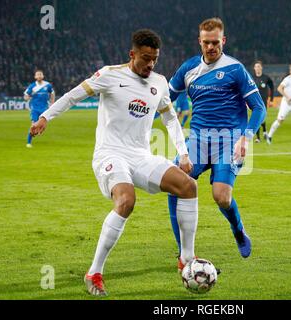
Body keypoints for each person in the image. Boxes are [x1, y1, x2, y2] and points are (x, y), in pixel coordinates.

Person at [30, 29, 199, 296]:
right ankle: (94, 272)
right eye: (145, 58)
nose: (150, 64)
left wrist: (184, 153)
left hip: (141, 155)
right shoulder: (110, 74)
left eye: (154, 59)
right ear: (132, 55)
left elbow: (169, 117)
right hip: (110, 153)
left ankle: (186, 259)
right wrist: (45, 117)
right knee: (126, 201)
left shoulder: (159, 82)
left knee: (188, 187)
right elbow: (74, 95)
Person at [167, 18, 266, 266]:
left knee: (221, 196)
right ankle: (183, 253)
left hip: (229, 140)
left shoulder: (235, 69)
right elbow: (164, 99)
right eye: (206, 42)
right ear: (199, 42)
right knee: (175, 181)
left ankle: (238, 230)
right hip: (198, 140)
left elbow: (259, 108)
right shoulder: (188, 69)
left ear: (223, 40)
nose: (211, 47)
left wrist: (246, 136)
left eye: (215, 42)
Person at [23, 70, 55, 148]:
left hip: (44, 109)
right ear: (35, 77)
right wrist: (27, 97)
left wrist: (52, 102)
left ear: (43, 76)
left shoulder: (47, 85)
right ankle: (29, 142)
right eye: (37, 74)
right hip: (35, 109)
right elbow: (26, 96)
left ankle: (37, 133)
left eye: (40, 74)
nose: (39, 76)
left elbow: (52, 93)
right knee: (33, 125)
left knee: (42, 125)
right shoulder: (32, 86)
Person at [252, 61, 274, 143]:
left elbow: (272, 87)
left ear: (261, 68)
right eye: (256, 67)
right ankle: (258, 137)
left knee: (261, 118)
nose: (257, 68)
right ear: (254, 68)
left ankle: (264, 131)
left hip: (263, 101)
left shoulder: (266, 78)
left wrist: (271, 99)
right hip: (255, 101)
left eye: (259, 66)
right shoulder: (252, 78)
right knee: (257, 118)